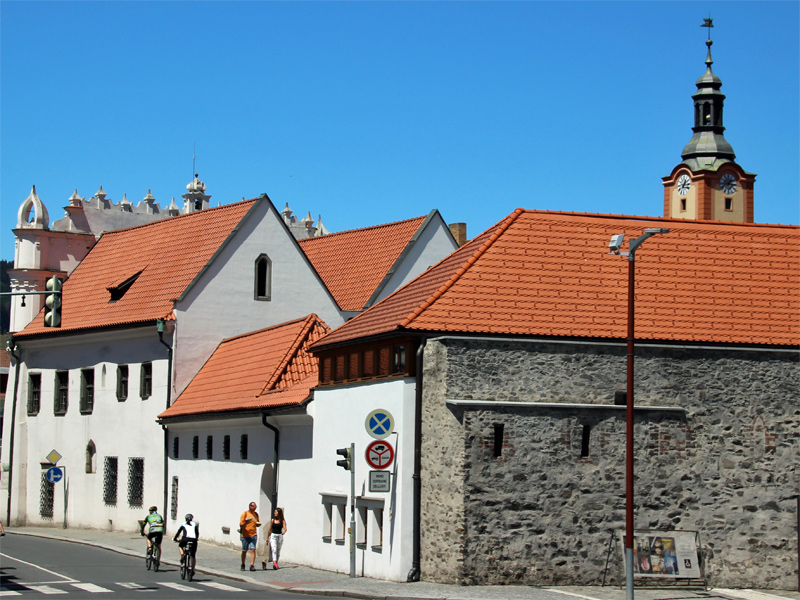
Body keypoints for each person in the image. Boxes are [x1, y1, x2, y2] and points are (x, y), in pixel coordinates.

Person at [239, 501, 262, 571]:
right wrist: (246, 522)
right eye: (253, 507)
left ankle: (252, 565)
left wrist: (258, 524)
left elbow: (257, 523)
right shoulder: (245, 514)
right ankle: (243, 564)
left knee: (253, 549)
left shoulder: (256, 514)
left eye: (255, 507)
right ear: (250, 506)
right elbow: (240, 524)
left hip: (253, 535)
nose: (254, 508)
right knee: (244, 551)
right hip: (245, 536)